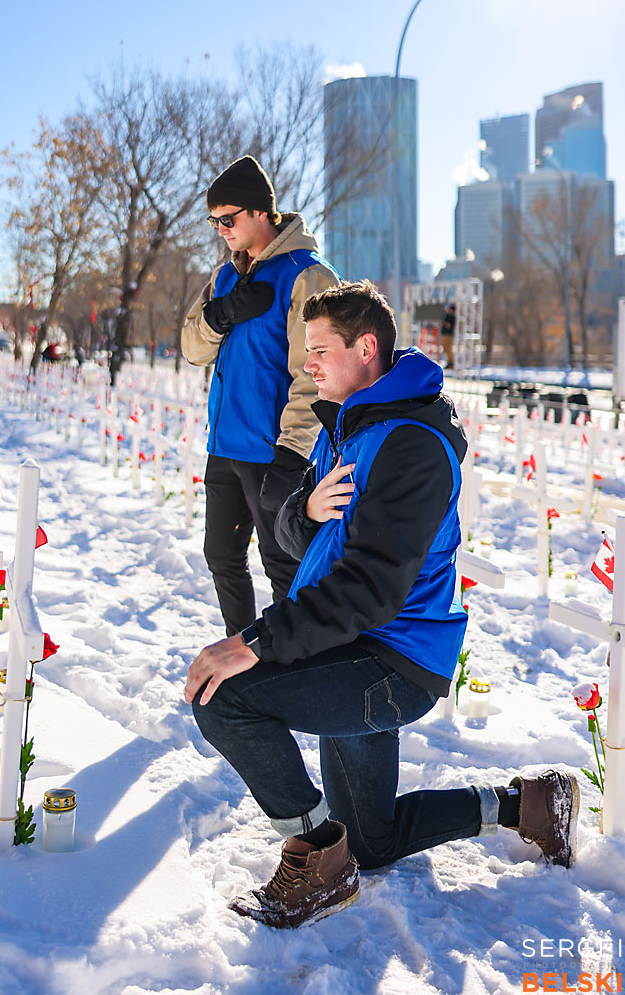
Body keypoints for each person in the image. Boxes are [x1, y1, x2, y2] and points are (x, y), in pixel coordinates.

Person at [185, 280, 578, 930]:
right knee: (372, 840)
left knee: (224, 694)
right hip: (348, 645)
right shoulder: (346, 426)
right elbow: (288, 529)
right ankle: (527, 805)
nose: (306, 364)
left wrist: (255, 641)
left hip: (388, 661)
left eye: (319, 350)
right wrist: (307, 511)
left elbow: (370, 590)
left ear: (366, 347)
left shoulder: (411, 446)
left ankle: (317, 859)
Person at [181, 156, 339, 637]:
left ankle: (289, 667)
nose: (220, 230)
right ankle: (242, 655)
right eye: (214, 221)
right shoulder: (225, 277)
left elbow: (316, 375)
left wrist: (292, 453)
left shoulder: (306, 275)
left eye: (226, 219)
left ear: (260, 212)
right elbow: (191, 347)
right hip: (226, 444)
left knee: (283, 567)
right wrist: (220, 313)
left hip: (274, 452)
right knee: (221, 557)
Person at [441, 303, 456, 369]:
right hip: (445, 334)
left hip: (448, 335)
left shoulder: (452, 317)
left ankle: (451, 362)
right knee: (445, 348)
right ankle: (449, 362)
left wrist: (445, 322)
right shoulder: (447, 315)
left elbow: (448, 325)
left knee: (448, 349)